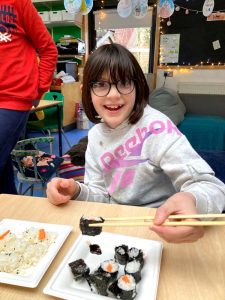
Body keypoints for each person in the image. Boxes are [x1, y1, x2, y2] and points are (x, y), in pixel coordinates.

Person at [46, 43, 225, 243]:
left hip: (162, 229)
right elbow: (101, 195)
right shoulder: (96, 136)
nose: (113, 94)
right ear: (86, 91)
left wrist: (192, 199)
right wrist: (76, 190)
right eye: (100, 85)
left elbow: (212, 188)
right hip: (117, 226)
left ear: (138, 86)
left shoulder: (157, 127)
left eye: (123, 83)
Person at [0, 0, 58, 194]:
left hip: (14, 97)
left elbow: (49, 49)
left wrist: (39, 89)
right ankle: (12, 219)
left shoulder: (18, 3)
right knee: (3, 168)